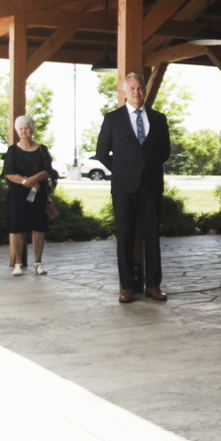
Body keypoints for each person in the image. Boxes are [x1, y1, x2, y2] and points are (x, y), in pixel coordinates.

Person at [96, 72, 171, 304]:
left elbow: (165, 152)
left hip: (151, 186)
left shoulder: (159, 119)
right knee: (126, 237)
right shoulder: (112, 119)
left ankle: (154, 285)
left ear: (145, 92)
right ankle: (127, 287)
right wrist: (121, 170)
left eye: (140, 89)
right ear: (124, 92)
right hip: (123, 188)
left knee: (152, 236)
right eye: (132, 89)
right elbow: (101, 153)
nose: (137, 92)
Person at [2, 114, 53, 277]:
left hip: (38, 193)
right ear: (18, 131)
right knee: (17, 228)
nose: (24, 131)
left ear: (32, 130)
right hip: (17, 194)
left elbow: (47, 170)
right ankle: (18, 263)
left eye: (27, 128)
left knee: (39, 227)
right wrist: (26, 182)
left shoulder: (41, 149)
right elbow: (8, 173)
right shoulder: (12, 150)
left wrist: (35, 179)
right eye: (21, 129)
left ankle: (38, 262)